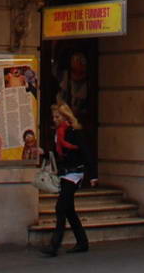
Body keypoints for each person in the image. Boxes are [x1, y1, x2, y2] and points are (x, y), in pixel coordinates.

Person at [41, 103, 90, 257]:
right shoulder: (57, 134)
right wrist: (42, 152)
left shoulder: (73, 132)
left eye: (57, 117)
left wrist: (92, 175)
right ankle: (82, 242)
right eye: (54, 117)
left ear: (65, 116)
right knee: (69, 210)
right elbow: (55, 154)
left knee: (60, 207)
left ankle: (54, 245)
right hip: (64, 173)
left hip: (74, 174)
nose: (54, 119)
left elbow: (86, 153)